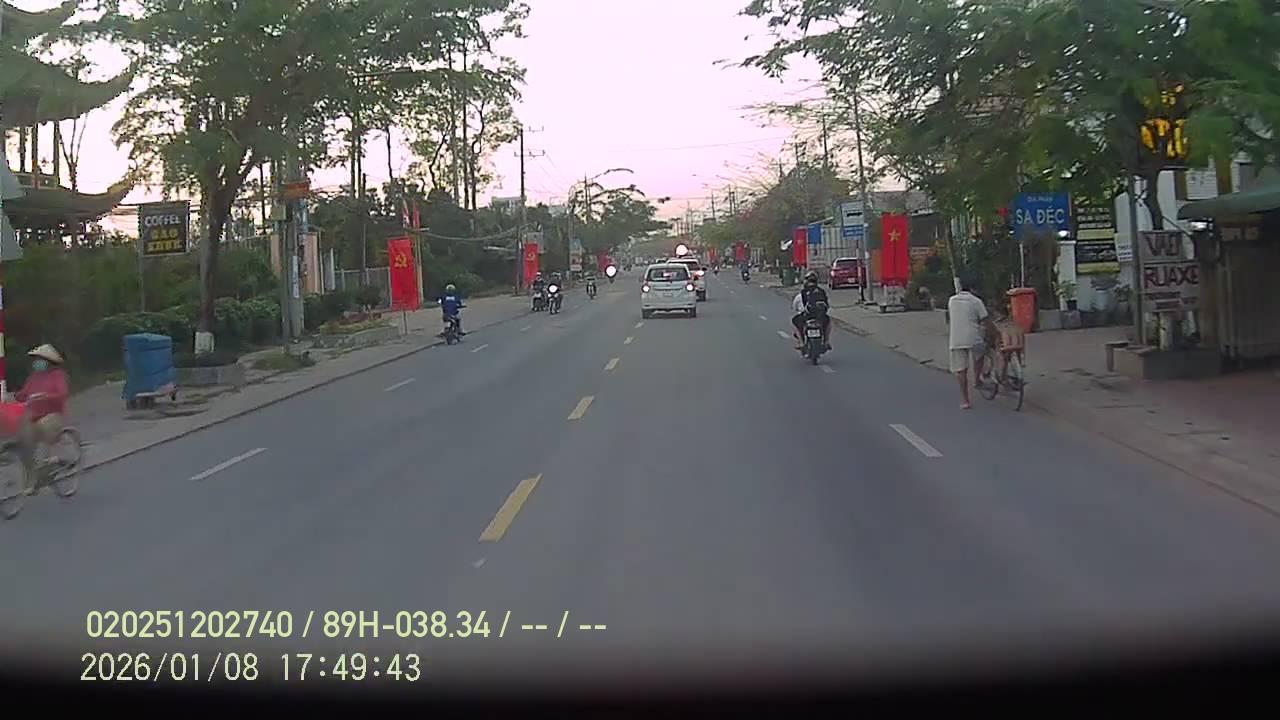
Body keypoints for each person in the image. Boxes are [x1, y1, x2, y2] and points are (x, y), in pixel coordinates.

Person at [14, 344, 70, 492]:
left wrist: (45, 396)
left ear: (48, 361)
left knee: (43, 426)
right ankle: (32, 478)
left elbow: (63, 394)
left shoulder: (57, 375)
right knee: (24, 443)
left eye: (40, 359)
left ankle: (52, 459)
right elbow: (23, 394)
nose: (36, 362)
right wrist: (14, 396)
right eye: (35, 360)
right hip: (34, 416)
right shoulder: (33, 378)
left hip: (53, 415)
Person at [948, 276, 997, 409]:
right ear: (974, 288)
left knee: (961, 370)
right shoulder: (976, 301)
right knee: (980, 354)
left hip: (956, 339)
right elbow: (986, 320)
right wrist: (996, 333)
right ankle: (977, 380)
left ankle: (965, 400)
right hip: (973, 338)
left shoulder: (952, 301)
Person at [791, 271, 832, 350]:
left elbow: (795, 307)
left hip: (806, 316)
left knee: (794, 321)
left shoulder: (802, 293)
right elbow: (827, 305)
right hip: (820, 317)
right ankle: (826, 342)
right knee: (828, 321)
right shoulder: (821, 291)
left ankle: (801, 342)